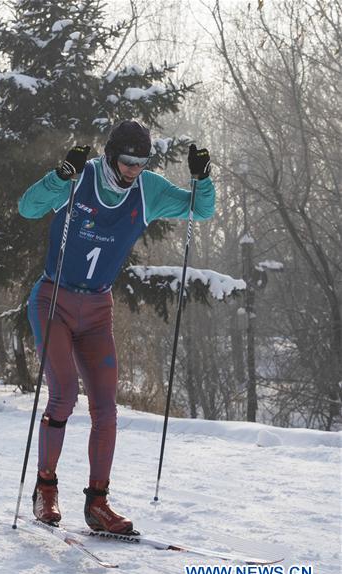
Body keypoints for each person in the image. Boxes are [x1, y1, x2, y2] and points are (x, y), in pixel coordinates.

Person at [18, 120, 214, 533]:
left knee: (106, 407)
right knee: (64, 395)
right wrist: (59, 177)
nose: (133, 171)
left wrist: (203, 178)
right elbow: (28, 208)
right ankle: (45, 489)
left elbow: (202, 208)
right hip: (54, 300)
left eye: (141, 163)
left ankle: (97, 504)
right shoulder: (81, 177)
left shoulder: (149, 190)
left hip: (96, 308)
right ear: (111, 156)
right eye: (127, 162)